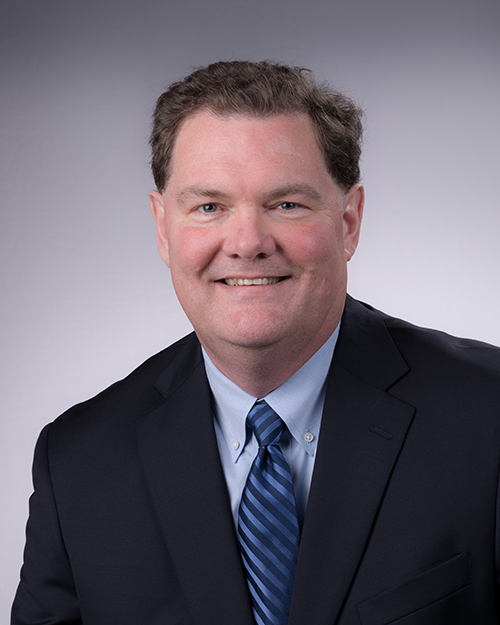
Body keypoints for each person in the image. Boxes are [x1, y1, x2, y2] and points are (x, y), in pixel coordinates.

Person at [11, 60, 500, 625]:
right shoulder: (78, 463)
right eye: (209, 207)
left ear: (348, 222)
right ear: (162, 226)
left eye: (286, 204)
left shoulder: (488, 417)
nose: (246, 243)